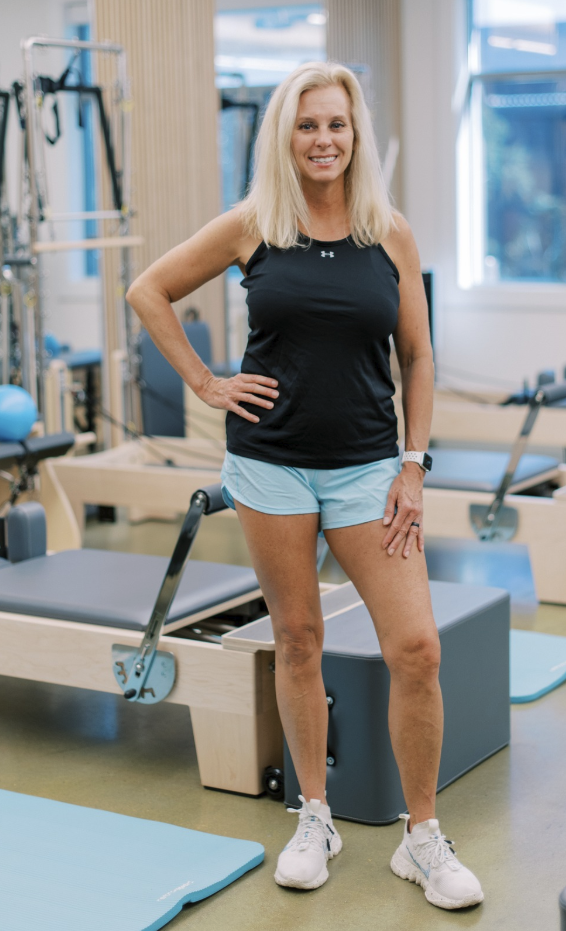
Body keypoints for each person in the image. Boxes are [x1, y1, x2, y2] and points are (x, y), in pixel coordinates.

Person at [126, 60, 483, 911]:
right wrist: (208, 383)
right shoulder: (254, 224)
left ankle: (421, 838)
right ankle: (313, 817)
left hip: (368, 467)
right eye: (307, 125)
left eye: (337, 125)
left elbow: (419, 356)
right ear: (285, 136)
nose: (324, 140)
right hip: (269, 466)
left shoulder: (388, 232)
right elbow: (150, 290)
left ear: (356, 137)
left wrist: (414, 464)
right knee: (297, 641)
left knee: (417, 649)